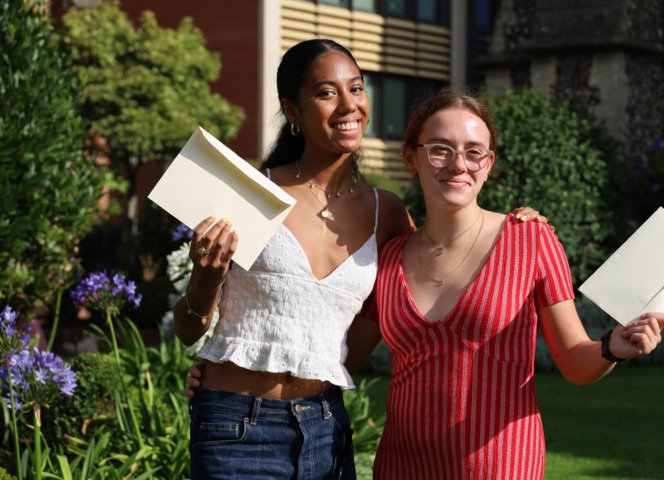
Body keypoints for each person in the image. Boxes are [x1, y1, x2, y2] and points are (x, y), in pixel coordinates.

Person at [175, 39, 544, 479]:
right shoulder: (251, 194)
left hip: (324, 428)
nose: (349, 105)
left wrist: (516, 224)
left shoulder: (385, 213)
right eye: (326, 92)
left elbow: (411, 296)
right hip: (236, 426)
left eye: (356, 88)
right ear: (292, 111)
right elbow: (188, 328)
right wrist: (207, 276)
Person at [371, 88, 664, 479]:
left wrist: (612, 347)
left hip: (502, 466)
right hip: (401, 467)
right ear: (411, 158)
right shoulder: (388, 255)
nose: (459, 164)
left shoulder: (530, 240)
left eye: (474, 151)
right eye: (440, 149)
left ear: (489, 163)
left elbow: (575, 362)